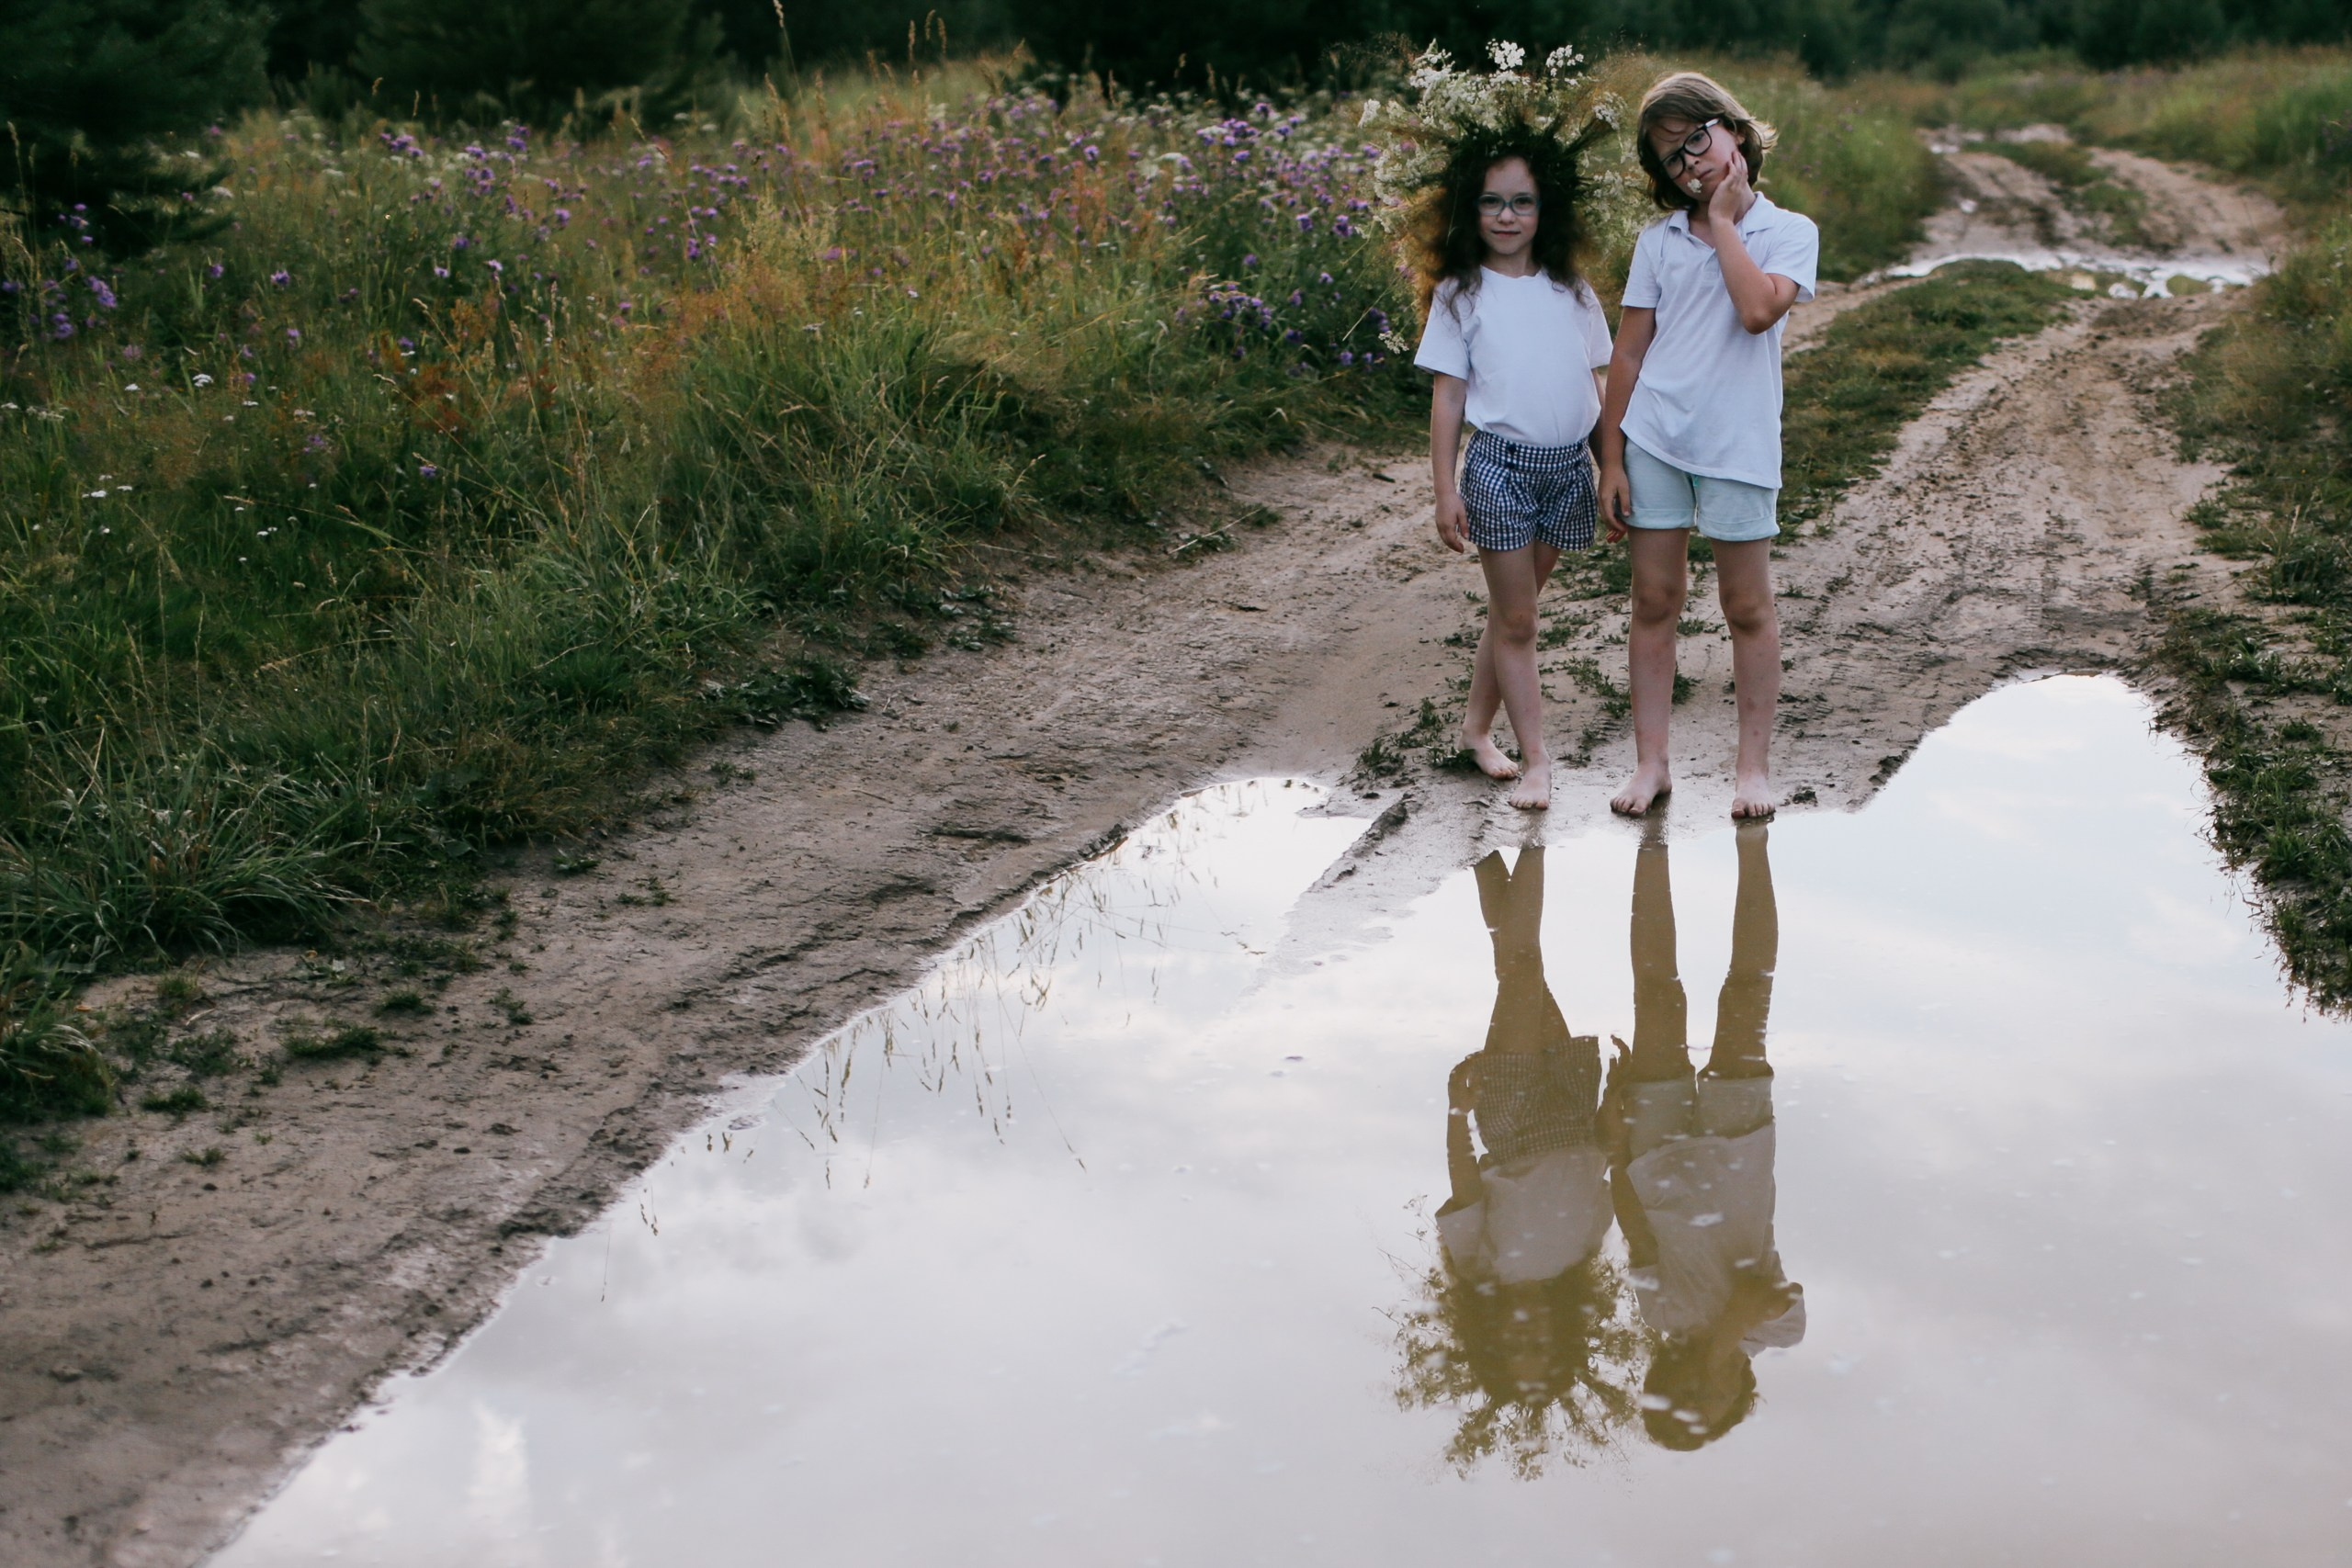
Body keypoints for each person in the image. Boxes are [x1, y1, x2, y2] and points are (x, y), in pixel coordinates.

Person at [1596, 72, 1821, 820]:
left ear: (1734, 129)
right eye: (1672, 159)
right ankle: (1651, 764)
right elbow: (1628, 355)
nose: (1691, 164)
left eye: (1698, 139)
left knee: (1747, 606)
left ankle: (1751, 771)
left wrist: (1725, 222)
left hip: (1738, 442)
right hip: (1655, 435)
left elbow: (1758, 311)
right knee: (1654, 600)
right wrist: (1612, 458)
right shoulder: (1656, 243)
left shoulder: (1790, 232)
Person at [1411, 132, 1615, 812]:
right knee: (1520, 619)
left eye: (1522, 202)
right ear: (1469, 210)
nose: (1506, 216)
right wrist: (1445, 490)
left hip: (1566, 471)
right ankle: (1537, 762)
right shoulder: (1459, 295)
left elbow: (1592, 385)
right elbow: (1448, 397)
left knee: (1512, 615)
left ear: (1543, 210)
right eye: (1492, 202)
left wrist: (1609, 466)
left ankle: (1475, 729)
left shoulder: (1572, 291)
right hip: (1499, 467)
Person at [1602, 819, 1804, 1449]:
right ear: (1732, 1402)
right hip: (1738, 1143)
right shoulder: (1777, 1333)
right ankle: (1754, 843)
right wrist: (1718, 1354)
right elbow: (1756, 1294)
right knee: (1747, 990)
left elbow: (1635, 1225)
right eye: (1706, 1405)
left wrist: (1614, 1141)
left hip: (1654, 1151)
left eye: (1678, 1399)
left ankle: (1652, 842)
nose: (1696, 1393)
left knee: (1657, 997)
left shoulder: (1662, 1317)